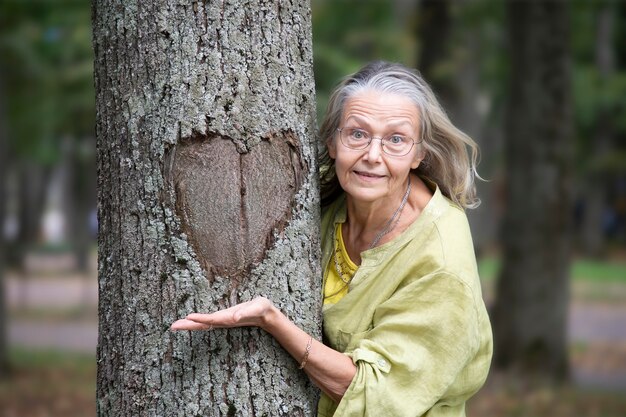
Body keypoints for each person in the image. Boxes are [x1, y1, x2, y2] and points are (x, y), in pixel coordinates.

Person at [172, 61, 493, 417]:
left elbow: (374, 395)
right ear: (333, 141)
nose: (372, 156)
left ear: (420, 154)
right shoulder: (320, 200)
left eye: (396, 140)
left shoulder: (441, 264)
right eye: (357, 134)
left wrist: (272, 321)